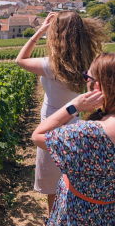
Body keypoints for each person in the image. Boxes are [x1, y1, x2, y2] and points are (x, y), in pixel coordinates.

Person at [15, 10, 107, 223]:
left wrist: (40, 30)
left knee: (52, 187)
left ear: (56, 36)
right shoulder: (91, 64)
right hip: (76, 125)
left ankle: (52, 219)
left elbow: (20, 60)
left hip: (51, 125)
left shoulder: (49, 65)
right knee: (72, 181)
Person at [32, 52, 115, 225]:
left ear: (97, 87)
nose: (85, 80)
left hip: (77, 214)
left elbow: (37, 136)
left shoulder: (86, 133)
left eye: (87, 76)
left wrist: (74, 106)